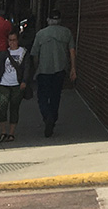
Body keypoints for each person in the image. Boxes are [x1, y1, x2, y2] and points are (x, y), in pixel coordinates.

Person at [31, 10, 76, 138]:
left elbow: (34, 54)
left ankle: (47, 116)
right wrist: (73, 68)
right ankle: (53, 118)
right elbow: (72, 51)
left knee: (42, 96)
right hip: (60, 69)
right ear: (59, 20)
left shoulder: (41, 34)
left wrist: (36, 68)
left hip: (44, 70)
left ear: (48, 20)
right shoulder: (66, 32)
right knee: (56, 96)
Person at [0, 32, 30, 143]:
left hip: (17, 84)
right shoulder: (4, 54)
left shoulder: (23, 53)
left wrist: (24, 81)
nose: (12, 42)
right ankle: (3, 131)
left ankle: (11, 133)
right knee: (2, 107)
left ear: (18, 40)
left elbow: (27, 68)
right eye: (10, 40)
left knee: (14, 108)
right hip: (4, 84)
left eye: (14, 40)